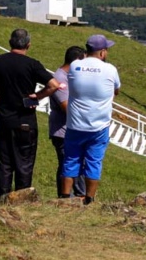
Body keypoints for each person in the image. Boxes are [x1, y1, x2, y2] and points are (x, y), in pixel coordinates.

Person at [0, 28, 62, 197]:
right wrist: (37, 97)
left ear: (10, 43)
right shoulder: (32, 64)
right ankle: (21, 203)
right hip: (26, 119)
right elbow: (54, 85)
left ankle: (1, 201)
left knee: (4, 164)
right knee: (24, 165)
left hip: (5, 119)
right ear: (28, 44)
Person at [60, 34, 121, 203]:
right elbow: (116, 89)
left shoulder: (75, 66)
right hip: (99, 125)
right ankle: (89, 199)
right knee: (94, 162)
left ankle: (65, 198)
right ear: (102, 52)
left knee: (71, 159)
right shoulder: (110, 69)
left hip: (75, 124)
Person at [48, 46, 87, 198]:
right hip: (63, 131)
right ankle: (66, 198)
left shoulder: (71, 77)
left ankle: (78, 195)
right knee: (67, 164)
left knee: (76, 164)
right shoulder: (60, 79)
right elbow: (66, 107)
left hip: (72, 129)